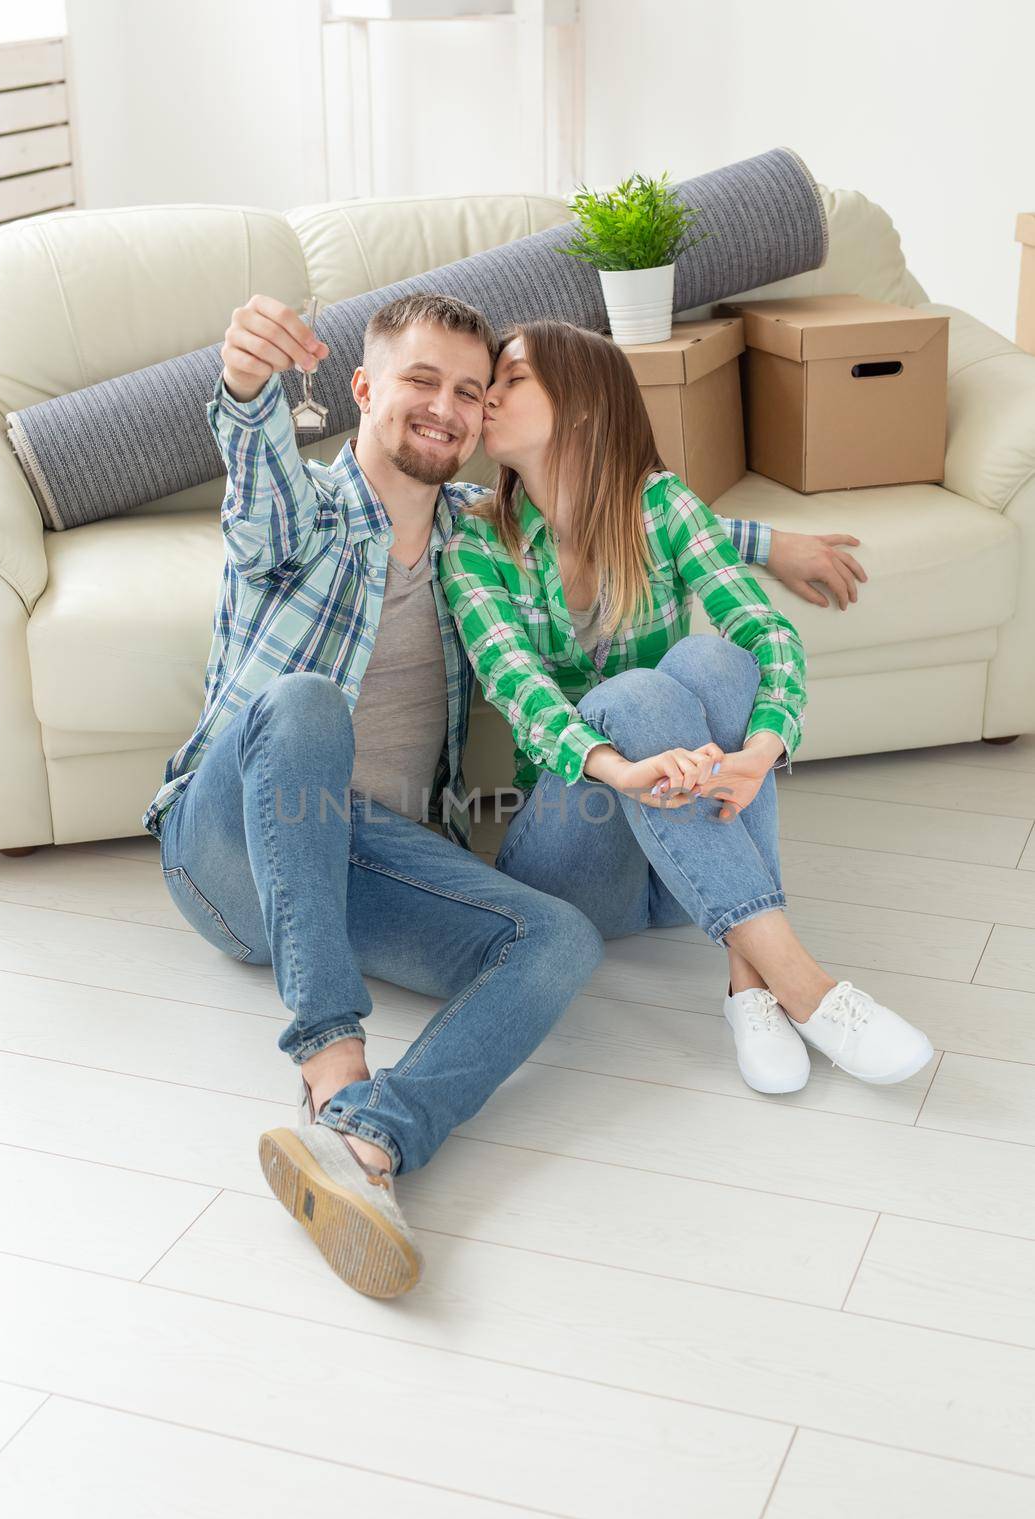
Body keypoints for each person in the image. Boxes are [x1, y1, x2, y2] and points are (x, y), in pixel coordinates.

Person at [142, 292, 607, 1301]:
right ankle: (332, 1062)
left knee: (560, 938)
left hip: (368, 859)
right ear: (363, 389)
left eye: (468, 393)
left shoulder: (479, 548)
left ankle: (364, 1142)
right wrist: (245, 384)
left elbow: (598, 559)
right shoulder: (305, 511)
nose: (443, 408)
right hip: (225, 848)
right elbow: (255, 477)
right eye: (419, 381)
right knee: (306, 704)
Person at [439, 320, 934, 1097]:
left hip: (683, 866)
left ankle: (750, 982)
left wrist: (763, 748)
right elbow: (519, 691)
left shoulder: (659, 507)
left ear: (583, 406)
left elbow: (766, 632)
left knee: (711, 659)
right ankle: (802, 984)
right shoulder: (475, 539)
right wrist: (624, 769)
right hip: (576, 855)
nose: (486, 395)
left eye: (514, 378)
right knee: (634, 695)